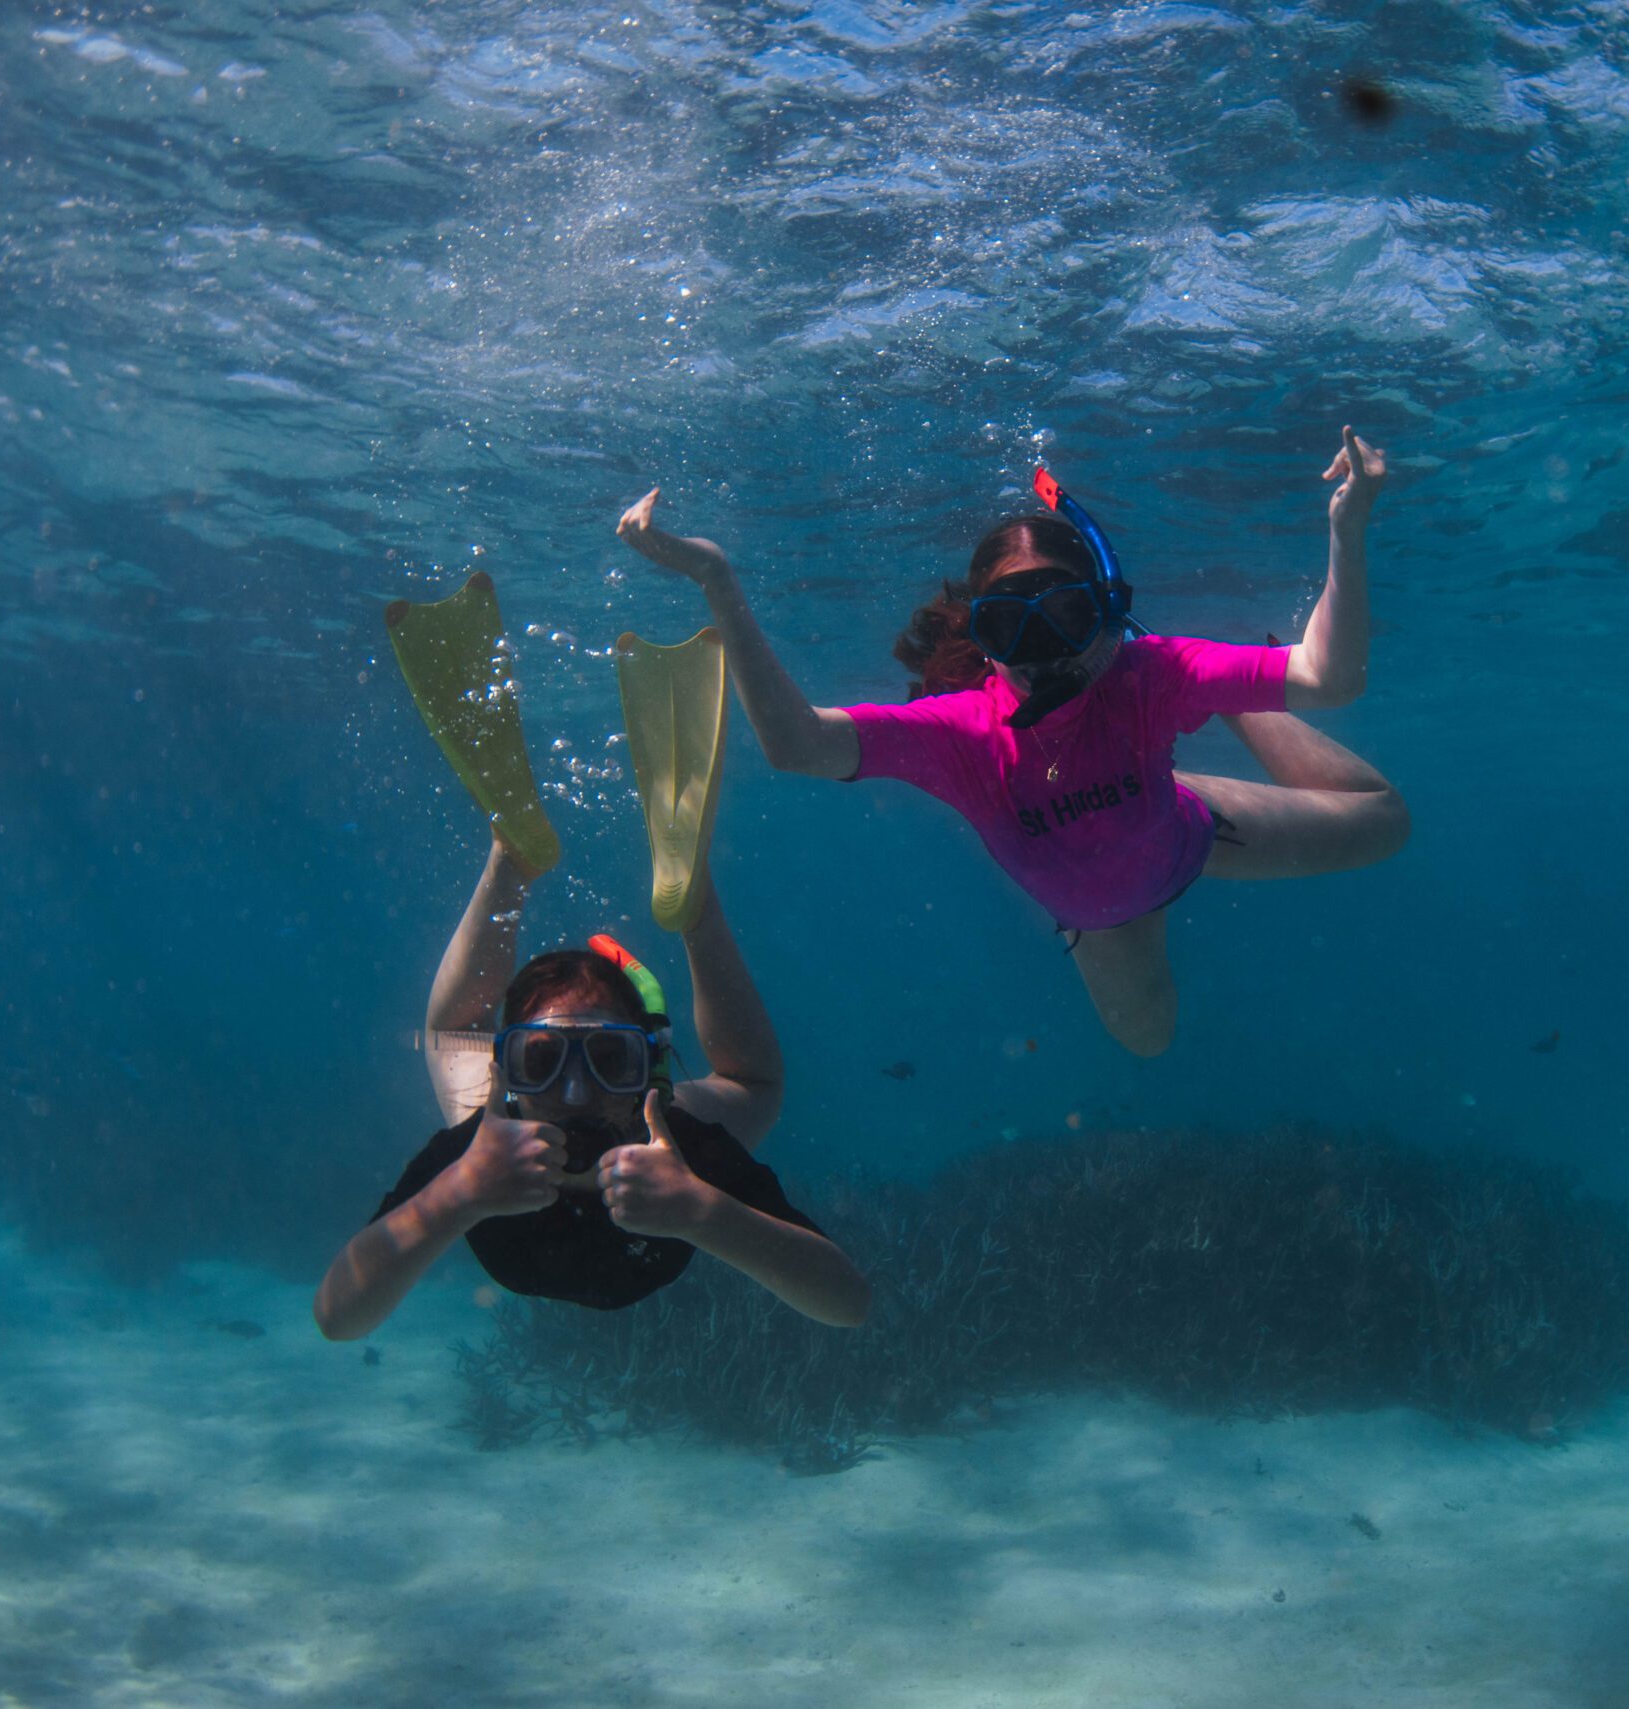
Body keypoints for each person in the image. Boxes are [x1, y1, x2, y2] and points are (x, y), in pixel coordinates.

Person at [616, 430, 1409, 1057]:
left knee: (1385, 819)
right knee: (1149, 1039)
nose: (1038, 650)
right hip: (1101, 912)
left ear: (1100, 614)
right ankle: (1228, 702)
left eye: (1060, 618)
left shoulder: (1149, 672)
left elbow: (1327, 677)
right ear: (982, 636)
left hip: (1190, 832)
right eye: (1009, 624)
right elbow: (795, 744)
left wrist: (1348, 527)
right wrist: (717, 579)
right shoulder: (963, 733)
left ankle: (1236, 703)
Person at [315, 781, 869, 1331]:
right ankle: (511, 858)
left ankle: (696, 907)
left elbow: (849, 1304)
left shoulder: (687, 1156)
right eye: (540, 1061)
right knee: (457, 1037)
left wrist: (703, 1211)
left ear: (648, 1067)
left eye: (610, 1059)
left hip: (652, 1124)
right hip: (498, 1127)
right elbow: (336, 1315)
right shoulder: (473, 1159)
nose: (575, 1093)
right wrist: (458, 1193)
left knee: (752, 1086)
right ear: (504, 1073)